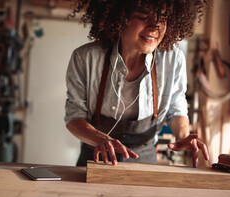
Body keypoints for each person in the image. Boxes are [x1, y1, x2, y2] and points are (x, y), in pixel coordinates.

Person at [64, 0, 210, 167]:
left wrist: (183, 136)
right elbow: (74, 118)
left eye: (162, 18)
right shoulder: (86, 58)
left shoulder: (172, 59)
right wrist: (101, 139)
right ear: (121, 16)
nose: (155, 27)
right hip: (96, 159)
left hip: (144, 162)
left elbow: (176, 108)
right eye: (143, 16)